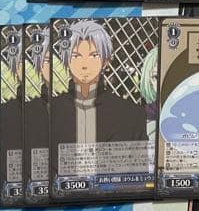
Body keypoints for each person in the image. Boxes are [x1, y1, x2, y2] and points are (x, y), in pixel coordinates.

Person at [50, 20, 147, 148]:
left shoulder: (132, 114)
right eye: (76, 56)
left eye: (93, 55)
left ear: (105, 61)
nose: (84, 65)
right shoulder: (49, 113)